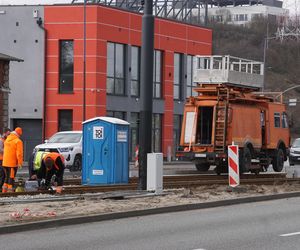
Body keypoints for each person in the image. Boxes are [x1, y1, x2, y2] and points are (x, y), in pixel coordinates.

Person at [2, 127, 23, 193]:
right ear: (19, 134)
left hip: (5, 163)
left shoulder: (7, 139)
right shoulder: (18, 141)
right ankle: (9, 192)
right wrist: (20, 163)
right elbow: (19, 154)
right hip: (12, 163)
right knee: (11, 177)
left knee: (6, 177)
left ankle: (4, 191)